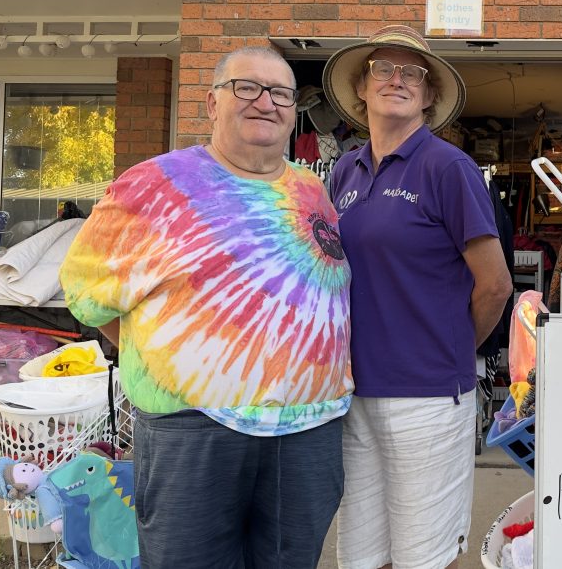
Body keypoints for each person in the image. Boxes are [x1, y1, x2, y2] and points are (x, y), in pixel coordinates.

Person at [59, 46, 353, 569]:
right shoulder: (153, 184)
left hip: (309, 429)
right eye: (247, 87)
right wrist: (158, 354)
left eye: (281, 93)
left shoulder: (311, 189)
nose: (265, 102)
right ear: (212, 103)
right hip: (194, 428)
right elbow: (85, 293)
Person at [322, 25, 513, 569]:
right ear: (362, 86)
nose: (398, 79)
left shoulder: (447, 168)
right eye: (384, 68)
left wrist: (448, 346)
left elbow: (495, 284)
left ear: (430, 97)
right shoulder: (345, 171)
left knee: (423, 556)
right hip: (354, 392)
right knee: (361, 554)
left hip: (427, 397)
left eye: (414, 73)